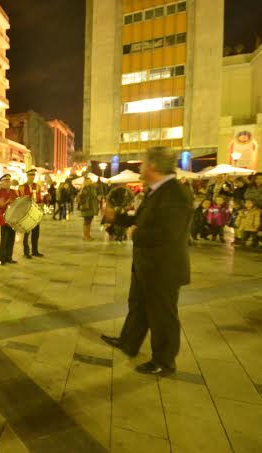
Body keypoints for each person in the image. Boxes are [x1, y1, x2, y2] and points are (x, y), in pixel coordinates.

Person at [101, 146, 193, 376]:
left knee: (162, 315)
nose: (140, 167)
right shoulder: (156, 190)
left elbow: (167, 233)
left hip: (163, 268)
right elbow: (142, 219)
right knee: (138, 306)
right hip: (146, 264)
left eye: (142, 163)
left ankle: (164, 360)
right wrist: (117, 218)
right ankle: (128, 342)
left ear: (152, 166)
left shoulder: (176, 194)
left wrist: (135, 234)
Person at [19, 169, 44, 258]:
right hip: (27, 212)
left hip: (36, 212)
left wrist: (41, 202)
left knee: (36, 233)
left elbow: (39, 198)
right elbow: (20, 200)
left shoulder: (37, 186)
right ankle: (26, 252)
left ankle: (35, 250)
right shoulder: (22, 187)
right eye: (31, 175)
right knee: (27, 233)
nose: (32, 177)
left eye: (33, 175)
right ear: (27, 176)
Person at [0, 174, 17, 265]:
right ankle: (1, 258)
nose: (8, 183)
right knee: (3, 240)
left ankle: (9, 257)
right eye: (6, 181)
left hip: (12, 219)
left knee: (11, 239)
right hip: (4, 219)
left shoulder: (13, 192)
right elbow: (1, 205)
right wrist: (9, 201)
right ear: (2, 182)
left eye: (9, 181)